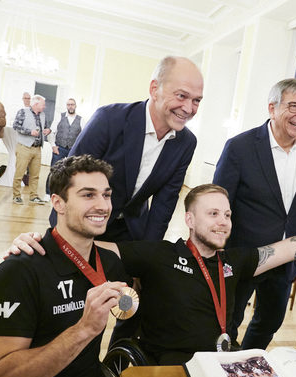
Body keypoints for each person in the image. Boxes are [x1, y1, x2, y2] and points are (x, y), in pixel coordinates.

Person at [9, 183, 296, 366]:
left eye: (226, 214)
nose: (223, 221)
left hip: (224, 364)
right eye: (212, 214)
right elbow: (90, 247)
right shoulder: (159, 255)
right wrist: (40, 239)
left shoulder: (237, 260)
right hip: (171, 368)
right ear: (190, 220)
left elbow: (290, 247)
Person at [64, 55, 203, 345]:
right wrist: (64, 241)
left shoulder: (186, 142)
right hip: (83, 222)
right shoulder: (110, 119)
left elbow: (165, 203)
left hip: (131, 229)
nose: (189, 108)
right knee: (77, 302)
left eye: (197, 101)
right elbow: (68, 181)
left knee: (134, 301)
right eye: (182, 96)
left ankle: (117, 362)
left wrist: (147, 256)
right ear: (154, 89)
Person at [0, 155, 131, 377]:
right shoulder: (18, 272)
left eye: (106, 195)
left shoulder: (110, 264)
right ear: (58, 203)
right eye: (88, 195)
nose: (103, 206)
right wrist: (84, 329)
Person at [213, 78, 296, 350]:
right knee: (229, 321)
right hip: (243, 255)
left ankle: (248, 360)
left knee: (271, 320)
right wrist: (219, 253)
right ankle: (224, 363)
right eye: (294, 106)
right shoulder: (239, 147)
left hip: (286, 256)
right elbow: (218, 204)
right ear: (272, 108)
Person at [12, 94, 51, 205]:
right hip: (24, 147)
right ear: (36, 104)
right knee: (19, 173)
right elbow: (16, 126)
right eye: (43, 104)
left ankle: (33, 196)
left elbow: (46, 127)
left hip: (37, 149)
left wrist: (47, 130)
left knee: (35, 175)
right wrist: (30, 132)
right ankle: (16, 196)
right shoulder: (23, 112)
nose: (45, 106)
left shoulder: (43, 115)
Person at [45, 98, 82, 198]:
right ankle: (48, 193)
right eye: (69, 104)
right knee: (54, 171)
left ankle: (66, 194)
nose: (70, 106)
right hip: (59, 149)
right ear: (66, 106)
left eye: (72, 104)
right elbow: (51, 132)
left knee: (71, 173)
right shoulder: (60, 117)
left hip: (72, 150)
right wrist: (53, 146)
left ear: (75, 106)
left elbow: (82, 136)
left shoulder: (81, 119)